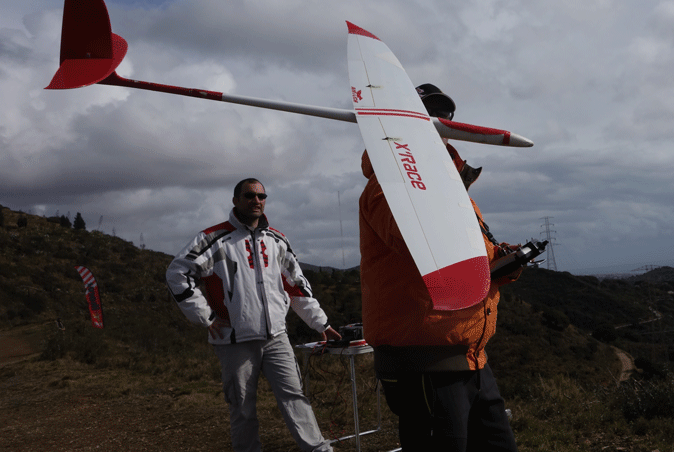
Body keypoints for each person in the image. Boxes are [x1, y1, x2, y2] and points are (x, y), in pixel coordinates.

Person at [359, 83, 523, 451]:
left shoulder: (455, 192)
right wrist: (427, 178)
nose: (437, 121)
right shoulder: (386, 185)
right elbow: (418, 242)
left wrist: (501, 261)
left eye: (443, 114)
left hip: (472, 357)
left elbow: (464, 259)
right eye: (425, 112)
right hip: (425, 361)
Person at [166, 178, 340, 452]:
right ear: (236, 200)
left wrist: (321, 323)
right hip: (234, 341)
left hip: (276, 338)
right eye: (249, 195)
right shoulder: (213, 238)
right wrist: (205, 317)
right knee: (242, 408)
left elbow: (296, 284)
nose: (256, 201)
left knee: (295, 398)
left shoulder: (277, 240)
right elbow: (177, 272)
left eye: (261, 196)